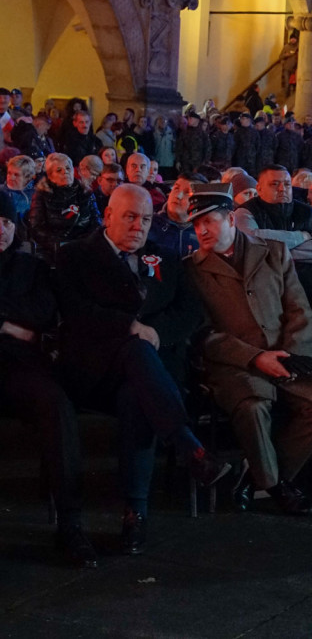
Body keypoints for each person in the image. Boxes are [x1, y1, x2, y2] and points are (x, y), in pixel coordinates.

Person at [54, 184, 230, 554]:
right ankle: (188, 448)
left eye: (147, 219)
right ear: (108, 217)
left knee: (138, 396)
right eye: (130, 217)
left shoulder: (166, 258)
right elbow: (76, 311)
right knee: (134, 355)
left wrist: (153, 332)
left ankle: (136, 513)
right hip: (94, 371)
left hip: (152, 374)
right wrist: (128, 327)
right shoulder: (75, 256)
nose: (139, 226)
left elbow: (190, 313)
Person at [185, 182, 312, 515]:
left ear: (230, 220)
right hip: (237, 364)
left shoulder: (273, 252)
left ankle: (256, 477)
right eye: (196, 224)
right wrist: (255, 357)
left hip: (288, 355)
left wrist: (290, 352)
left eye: (209, 221)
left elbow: (299, 308)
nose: (201, 230)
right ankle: (275, 486)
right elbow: (202, 334)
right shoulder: (191, 270)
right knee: (255, 407)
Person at [0, 192, 96, 566]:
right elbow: (27, 320)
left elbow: (42, 312)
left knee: (56, 405)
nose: (2, 230)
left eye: (7, 222)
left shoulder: (32, 267)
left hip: (20, 369)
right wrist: (10, 324)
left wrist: (7, 320)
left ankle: (70, 523)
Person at [234, 164, 312, 309]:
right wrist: (300, 237)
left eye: (287, 184)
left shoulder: (307, 212)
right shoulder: (244, 212)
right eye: (274, 184)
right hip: (264, 293)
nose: (282, 189)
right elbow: (251, 241)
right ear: (259, 189)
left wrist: (273, 251)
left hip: (306, 290)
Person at [29, 153, 102, 266]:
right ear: (50, 176)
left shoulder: (85, 192)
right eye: (59, 170)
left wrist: (84, 242)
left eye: (68, 168)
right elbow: (37, 227)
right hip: (54, 250)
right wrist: (58, 244)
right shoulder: (41, 195)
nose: (65, 172)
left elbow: (96, 222)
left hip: (84, 246)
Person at [149, 174, 200, 257]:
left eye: (187, 192)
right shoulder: (150, 224)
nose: (178, 196)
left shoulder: (203, 233)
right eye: (176, 188)